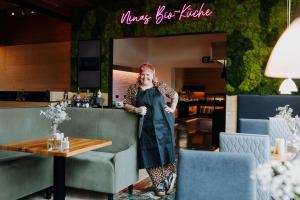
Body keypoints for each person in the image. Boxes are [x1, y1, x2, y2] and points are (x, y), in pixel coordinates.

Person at [123, 63, 179, 196]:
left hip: (163, 124)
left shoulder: (160, 85)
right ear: (139, 75)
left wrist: (172, 108)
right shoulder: (134, 88)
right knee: (148, 153)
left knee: (164, 150)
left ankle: (168, 177)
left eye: (148, 74)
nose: (145, 77)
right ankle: (159, 183)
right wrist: (137, 109)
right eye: (142, 74)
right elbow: (126, 104)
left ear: (153, 74)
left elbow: (175, 95)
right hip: (145, 127)